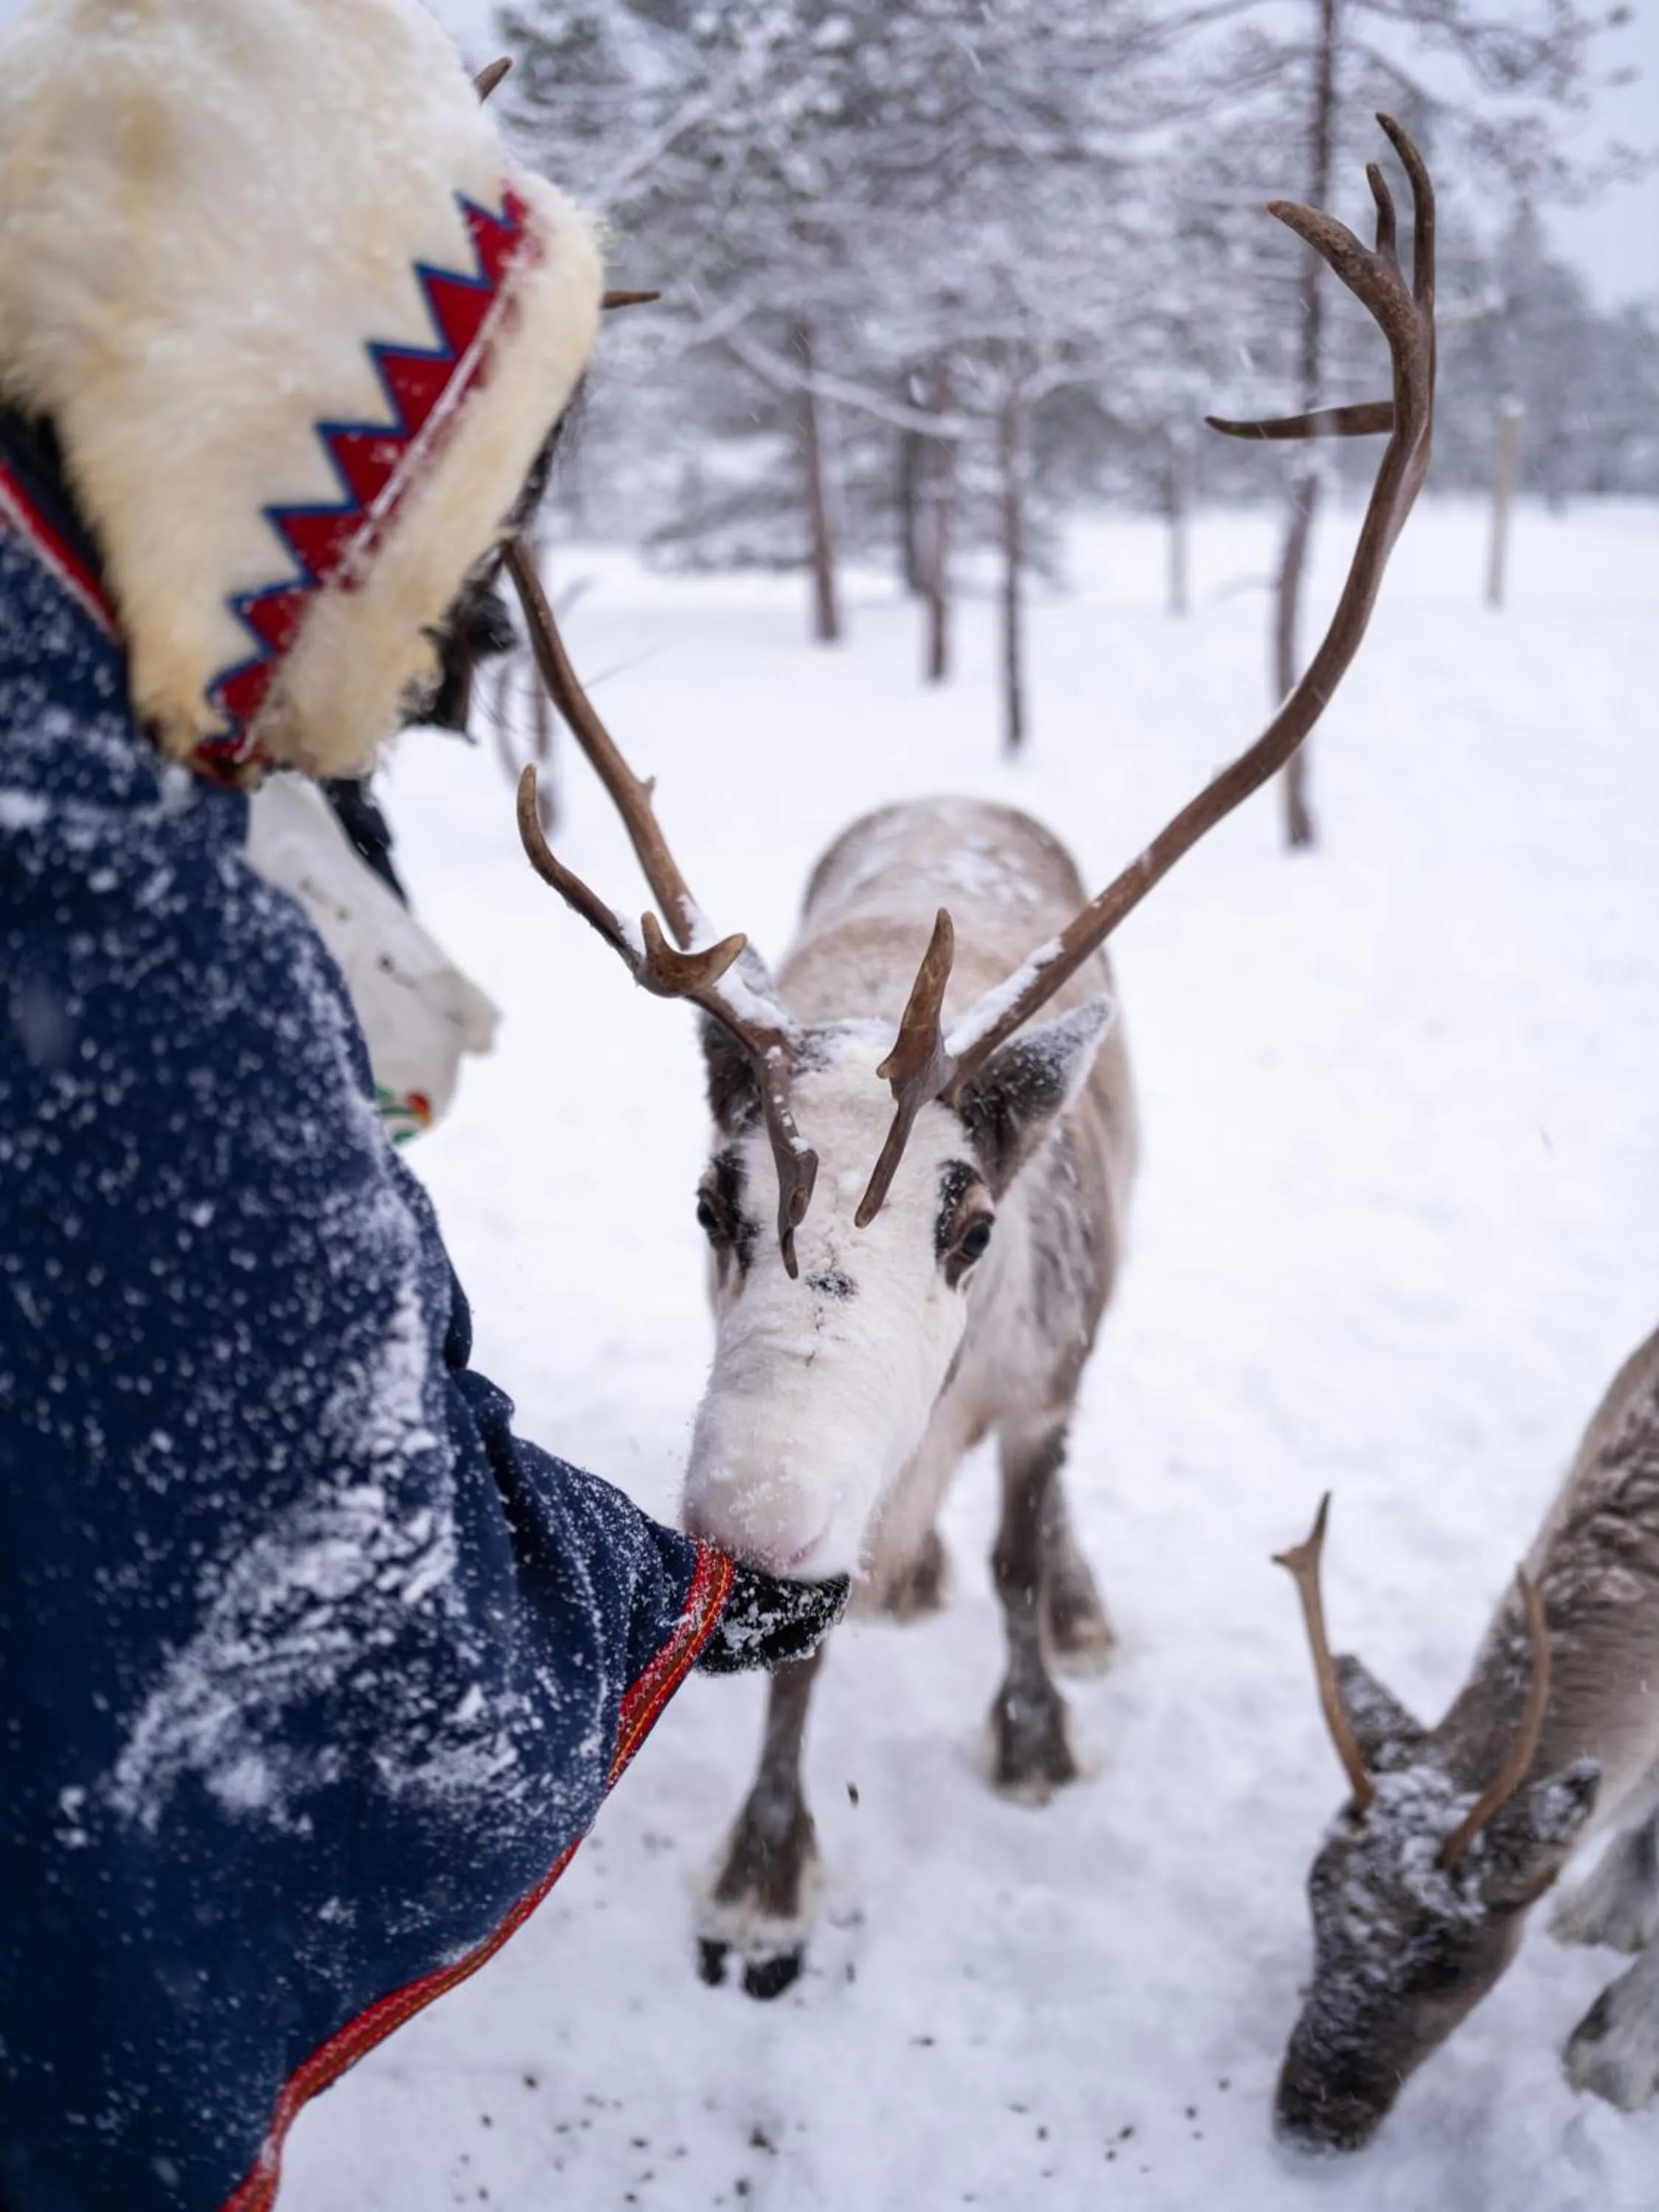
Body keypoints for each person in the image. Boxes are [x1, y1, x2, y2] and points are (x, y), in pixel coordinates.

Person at [0, 4, 846, 2208]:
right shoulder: (107, 951)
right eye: (447, 538)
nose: (458, 646)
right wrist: (661, 1604)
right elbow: (321, 1583)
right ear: (254, 444)